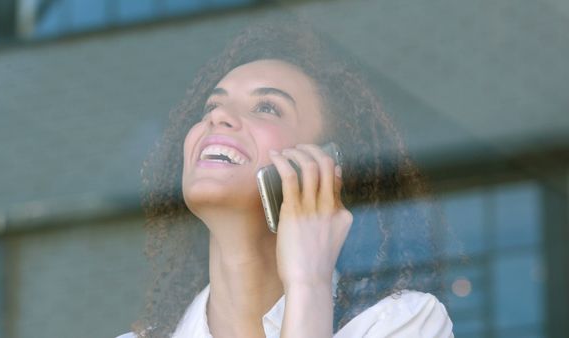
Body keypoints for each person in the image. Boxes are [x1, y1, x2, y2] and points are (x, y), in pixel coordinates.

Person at [118, 20, 453, 338]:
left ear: (326, 164)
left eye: (267, 107)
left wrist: (309, 283)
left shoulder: (400, 323)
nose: (218, 116)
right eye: (211, 106)